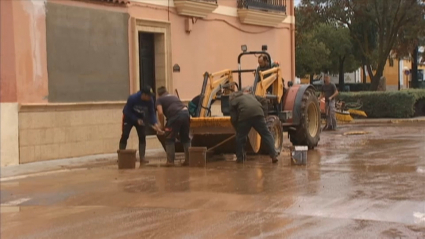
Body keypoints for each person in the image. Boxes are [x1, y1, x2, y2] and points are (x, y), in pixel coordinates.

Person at [229, 86, 278, 164]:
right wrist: (264, 116)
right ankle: (274, 155)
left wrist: (237, 129)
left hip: (245, 115)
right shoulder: (252, 96)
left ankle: (240, 159)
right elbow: (264, 101)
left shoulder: (233, 101)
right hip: (259, 114)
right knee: (266, 134)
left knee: (240, 138)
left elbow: (234, 118)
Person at [119, 86, 163, 165]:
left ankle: (142, 157)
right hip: (129, 118)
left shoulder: (150, 101)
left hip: (140, 118)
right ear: (144, 95)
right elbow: (126, 111)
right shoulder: (133, 98)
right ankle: (121, 156)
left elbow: (151, 113)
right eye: (148, 96)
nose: (150, 97)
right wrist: (136, 119)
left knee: (142, 136)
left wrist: (155, 124)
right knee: (125, 135)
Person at [156, 86, 191, 166]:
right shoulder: (173, 97)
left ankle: (170, 162)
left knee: (169, 138)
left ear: (158, 94)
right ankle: (188, 160)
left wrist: (162, 125)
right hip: (186, 114)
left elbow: (160, 113)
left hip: (175, 115)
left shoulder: (159, 100)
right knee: (185, 138)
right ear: (166, 92)